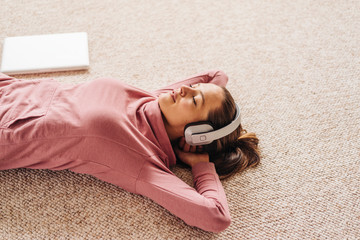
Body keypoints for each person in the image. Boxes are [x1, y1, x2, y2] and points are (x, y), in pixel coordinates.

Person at [0, 70, 260, 233]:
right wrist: (216, 104)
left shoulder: (140, 158)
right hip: (10, 87)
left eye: (194, 100)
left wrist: (202, 164)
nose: (183, 89)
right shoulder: (150, 99)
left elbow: (216, 217)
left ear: (196, 133)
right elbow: (216, 75)